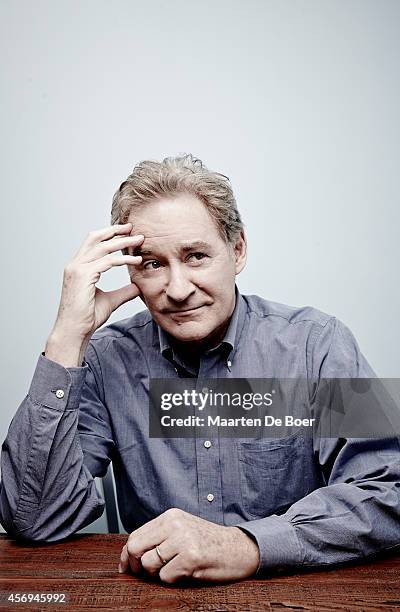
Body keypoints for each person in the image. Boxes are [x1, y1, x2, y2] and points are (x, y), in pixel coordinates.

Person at [1, 154, 399, 584]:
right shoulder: (104, 359)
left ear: (238, 250)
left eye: (195, 256)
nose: (177, 289)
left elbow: (388, 491)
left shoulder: (316, 344)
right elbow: (31, 518)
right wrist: (66, 338)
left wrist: (247, 545)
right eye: (153, 263)